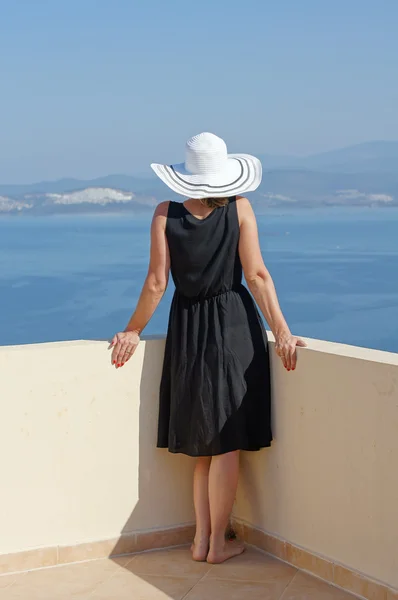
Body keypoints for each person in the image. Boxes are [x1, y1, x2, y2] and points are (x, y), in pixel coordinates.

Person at [110, 132, 306, 564]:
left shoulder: (165, 213)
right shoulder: (240, 208)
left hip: (187, 329)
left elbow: (157, 283)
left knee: (204, 445)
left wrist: (132, 330)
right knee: (227, 443)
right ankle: (218, 544)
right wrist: (284, 331)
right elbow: (256, 276)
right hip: (232, 327)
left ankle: (201, 541)